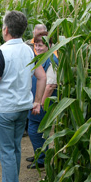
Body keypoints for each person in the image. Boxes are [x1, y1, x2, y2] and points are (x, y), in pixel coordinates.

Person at [0, 11, 47, 182]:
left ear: (6, 30)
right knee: (15, 148)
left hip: (4, 110)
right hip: (22, 109)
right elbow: (42, 77)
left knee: (6, 151)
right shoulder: (29, 50)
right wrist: (37, 101)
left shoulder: (1, 52)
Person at [27, 31, 59, 169]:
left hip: (44, 103)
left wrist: (40, 103)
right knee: (34, 129)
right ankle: (38, 154)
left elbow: (50, 85)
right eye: (36, 45)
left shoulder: (52, 60)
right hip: (36, 100)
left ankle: (41, 160)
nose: (38, 48)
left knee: (36, 130)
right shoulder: (38, 57)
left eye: (41, 45)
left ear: (49, 45)